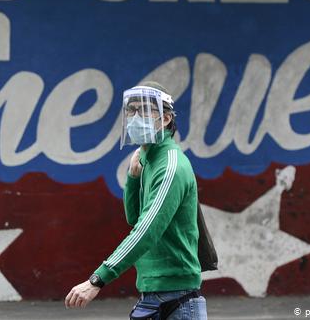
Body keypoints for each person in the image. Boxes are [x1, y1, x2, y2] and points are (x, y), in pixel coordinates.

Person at [65, 82, 208, 319]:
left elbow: (146, 230)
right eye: (131, 110)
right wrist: (132, 179)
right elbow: (134, 217)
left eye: (144, 110)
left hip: (176, 297)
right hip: (153, 292)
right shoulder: (148, 159)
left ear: (165, 119)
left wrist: (97, 280)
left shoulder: (170, 165)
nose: (135, 117)